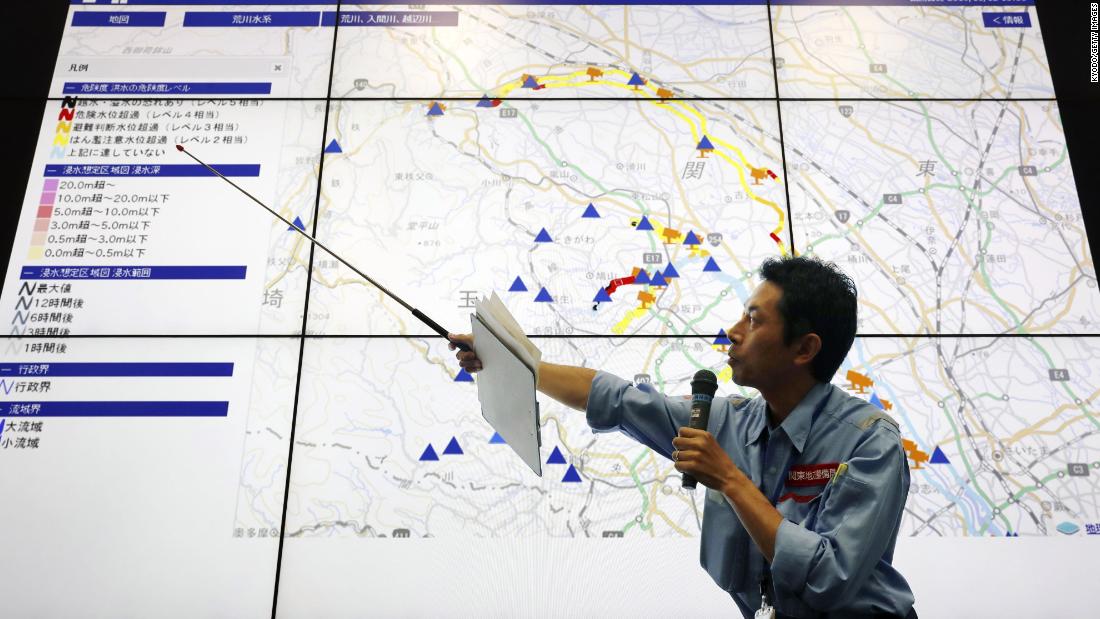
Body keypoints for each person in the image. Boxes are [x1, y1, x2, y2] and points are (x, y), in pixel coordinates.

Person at [450, 255, 916, 619]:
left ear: (805, 348)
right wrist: (513, 364)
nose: (731, 334)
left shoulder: (870, 442)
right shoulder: (729, 420)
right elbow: (615, 399)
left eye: (753, 321)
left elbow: (828, 578)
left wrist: (730, 480)